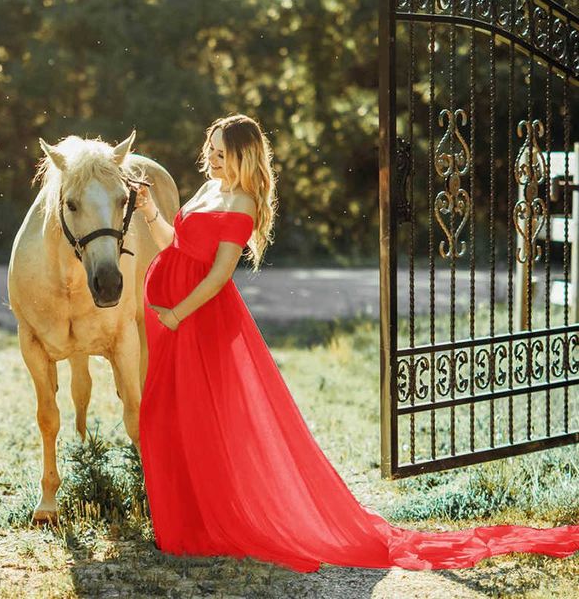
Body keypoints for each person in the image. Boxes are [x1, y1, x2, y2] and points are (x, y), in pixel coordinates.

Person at [135, 114, 579, 573]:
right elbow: (176, 243)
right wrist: (151, 212)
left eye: (220, 152)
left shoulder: (242, 202)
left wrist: (176, 313)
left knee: (194, 418)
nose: (210, 157)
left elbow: (219, 274)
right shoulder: (207, 189)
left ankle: (203, 527)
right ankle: (185, 521)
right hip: (171, 317)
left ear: (243, 157)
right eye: (209, 148)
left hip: (198, 319)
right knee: (164, 413)